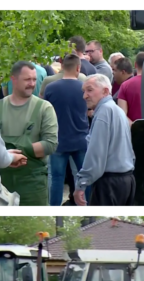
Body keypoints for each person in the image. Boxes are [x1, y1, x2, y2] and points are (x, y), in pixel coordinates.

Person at [0, 61, 58, 206]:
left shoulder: (44, 108)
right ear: (13, 79)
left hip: (32, 184)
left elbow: (50, 144)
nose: (32, 84)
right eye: (27, 79)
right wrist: (7, 156)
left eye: (34, 79)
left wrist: (13, 153)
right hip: (0, 184)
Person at [75, 74, 135, 206]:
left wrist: (82, 183)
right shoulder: (117, 110)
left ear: (105, 91)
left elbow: (96, 155)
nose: (85, 96)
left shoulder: (104, 112)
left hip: (110, 184)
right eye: (84, 91)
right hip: (126, 180)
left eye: (89, 90)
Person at [43, 54, 90, 206]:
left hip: (58, 140)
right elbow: (90, 111)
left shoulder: (51, 88)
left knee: (56, 178)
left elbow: (44, 113)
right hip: (81, 139)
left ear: (62, 67)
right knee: (84, 178)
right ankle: (87, 205)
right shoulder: (84, 89)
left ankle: (54, 207)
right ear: (78, 68)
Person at [117, 52, 144, 124]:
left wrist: (135, 128)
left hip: (132, 131)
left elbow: (122, 114)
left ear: (135, 64)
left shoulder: (125, 85)